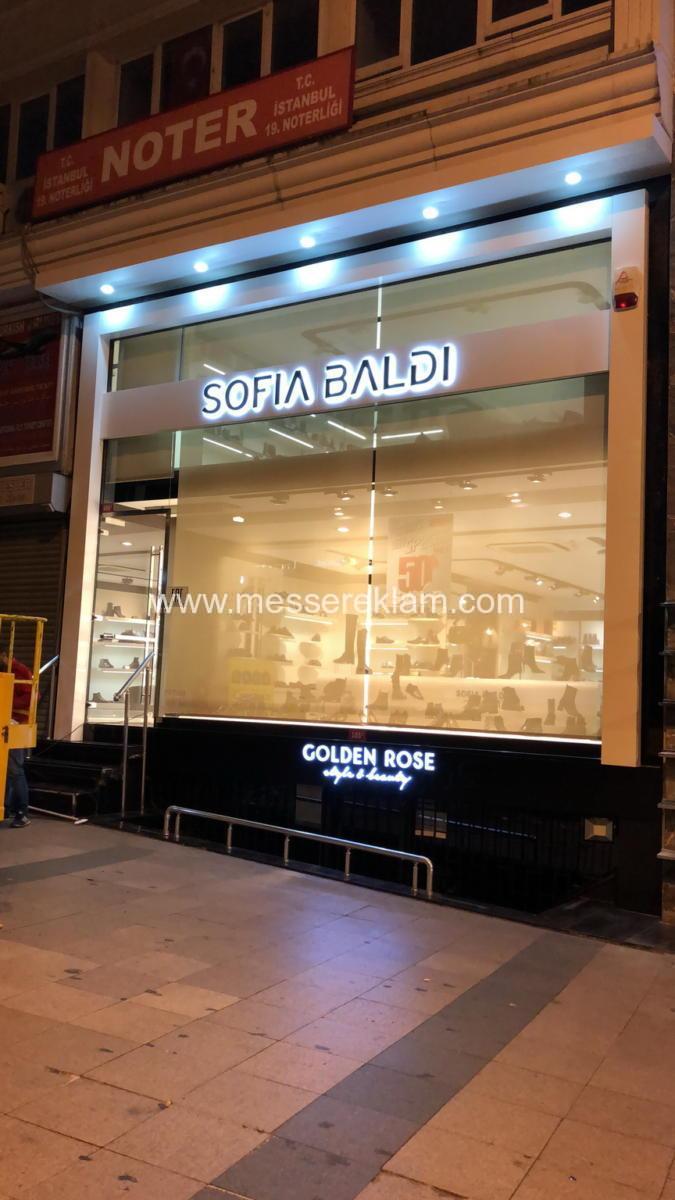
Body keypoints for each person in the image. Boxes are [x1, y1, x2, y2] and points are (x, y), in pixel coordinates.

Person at [0, 650, 32, 828]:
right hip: (7, 721)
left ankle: (22, 813)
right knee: (8, 770)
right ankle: (7, 809)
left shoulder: (19, 671)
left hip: (15, 724)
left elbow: (32, 697)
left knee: (14, 770)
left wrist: (6, 704)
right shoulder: (8, 671)